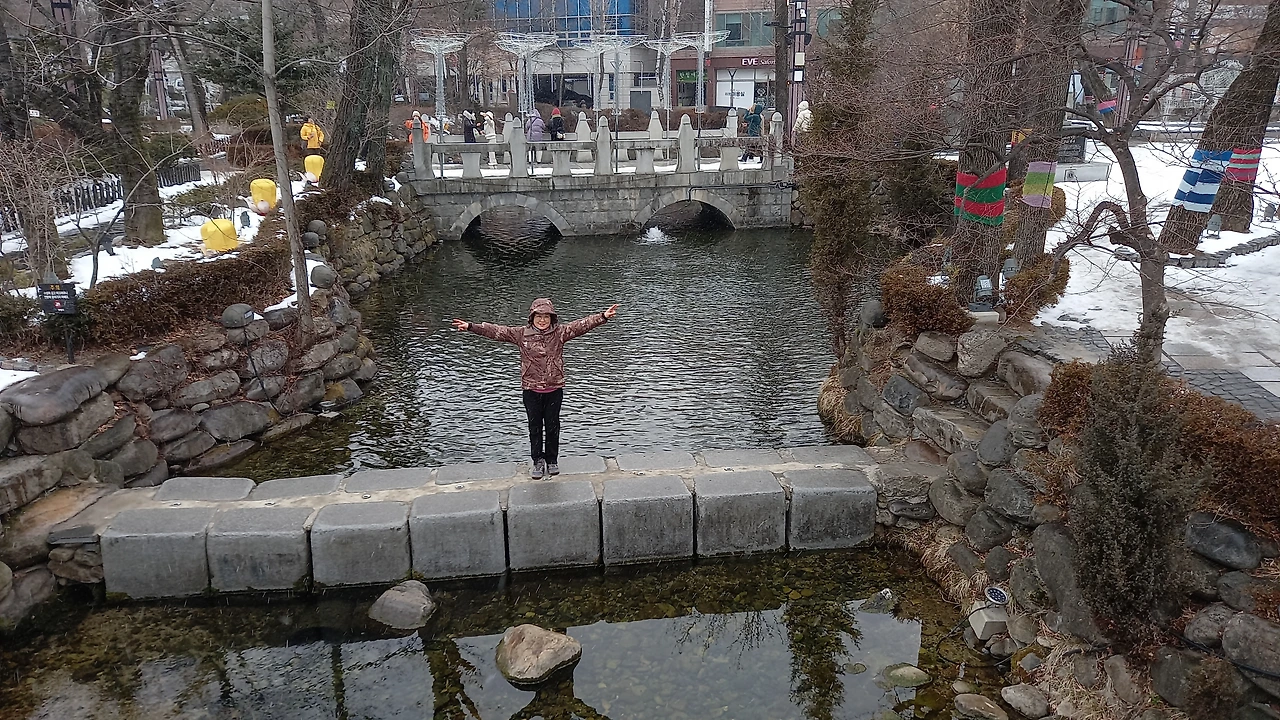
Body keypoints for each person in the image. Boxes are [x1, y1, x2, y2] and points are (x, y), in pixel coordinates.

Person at [452, 299, 620, 479]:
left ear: (552, 318)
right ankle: (538, 461)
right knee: (535, 427)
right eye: (538, 316)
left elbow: (580, 326)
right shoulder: (521, 334)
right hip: (531, 390)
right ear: (532, 317)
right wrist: (471, 326)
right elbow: (496, 331)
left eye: (546, 316)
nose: (542, 320)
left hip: (554, 389)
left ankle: (552, 460)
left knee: (553, 426)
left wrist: (602, 316)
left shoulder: (560, 333)